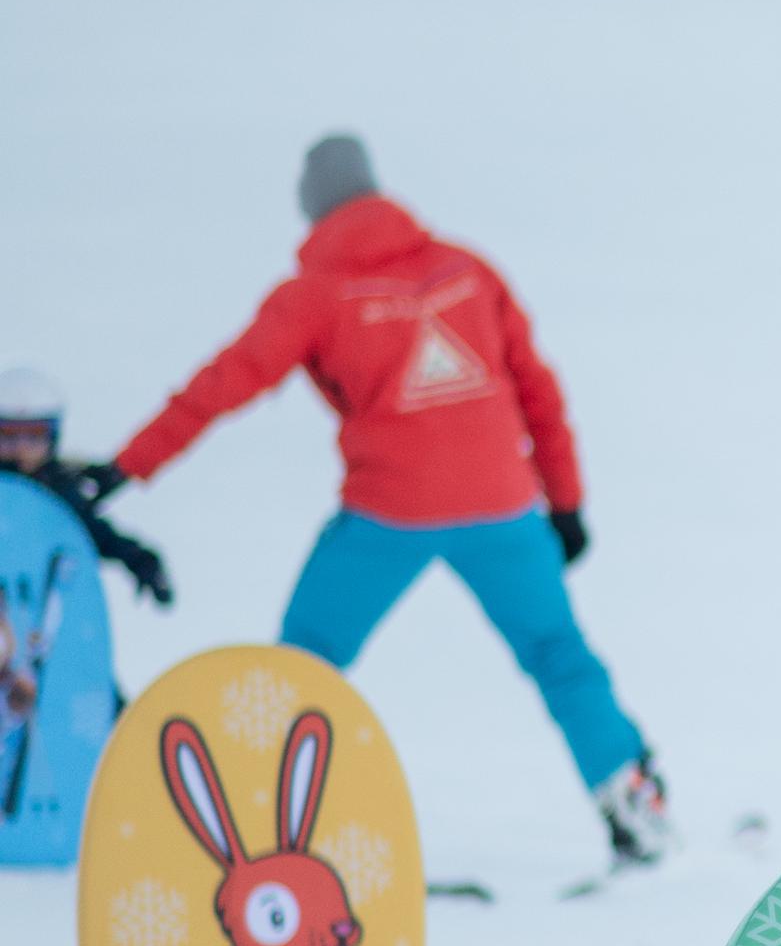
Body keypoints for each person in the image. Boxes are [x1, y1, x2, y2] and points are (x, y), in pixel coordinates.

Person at [86, 135, 674, 867]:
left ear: (314, 210)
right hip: (503, 508)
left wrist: (125, 467)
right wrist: (566, 501)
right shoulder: (468, 269)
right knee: (558, 654)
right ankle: (634, 802)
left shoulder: (313, 296)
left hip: (387, 514)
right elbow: (537, 389)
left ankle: (256, 819)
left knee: (308, 660)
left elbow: (221, 387)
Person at [0, 368, 175, 611]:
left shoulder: (58, 492)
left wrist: (140, 560)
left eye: (34, 436)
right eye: (8, 436)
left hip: (32, 612)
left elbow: (99, 535)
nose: (21, 448)